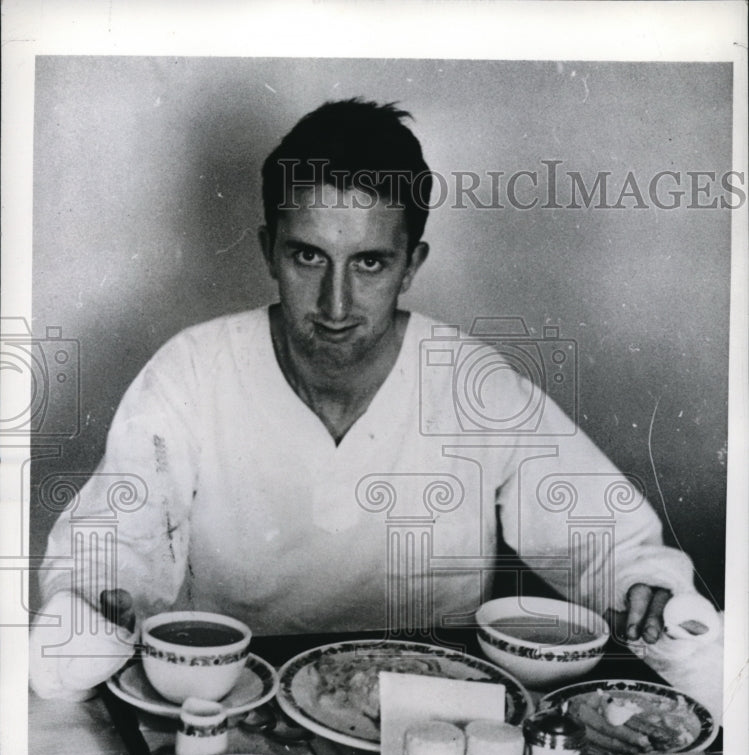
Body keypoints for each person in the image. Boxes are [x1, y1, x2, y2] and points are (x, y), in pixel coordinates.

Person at [29, 99, 723, 715]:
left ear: (411, 264)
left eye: (368, 263)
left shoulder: (470, 383)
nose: (334, 305)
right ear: (269, 250)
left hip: (433, 718)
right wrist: (100, 610)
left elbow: (609, 543)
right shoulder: (191, 372)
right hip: (239, 709)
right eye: (308, 257)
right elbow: (109, 554)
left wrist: (644, 592)